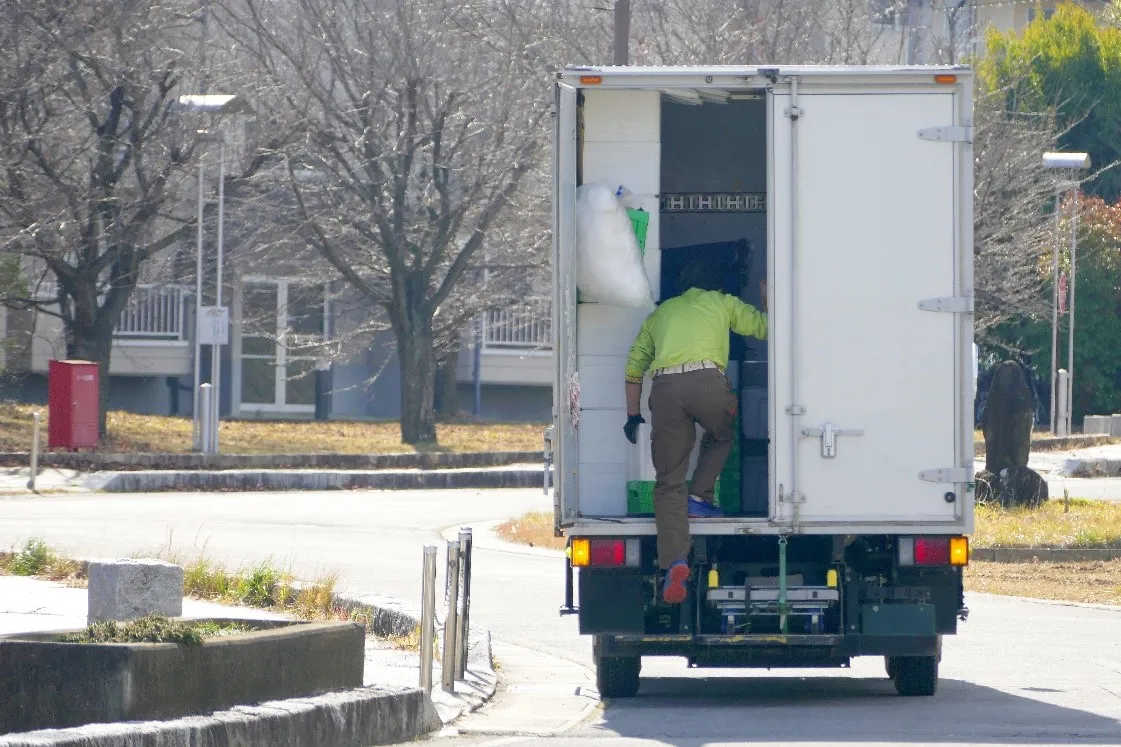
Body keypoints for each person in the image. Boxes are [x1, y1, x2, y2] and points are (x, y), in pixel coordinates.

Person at [622, 264, 768, 604]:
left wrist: (632, 416)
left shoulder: (661, 314)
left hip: (665, 388)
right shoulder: (722, 302)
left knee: (669, 481)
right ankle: (700, 499)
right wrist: (767, 298)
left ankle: (675, 562)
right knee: (722, 434)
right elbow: (764, 328)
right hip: (708, 384)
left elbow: (633, 369)